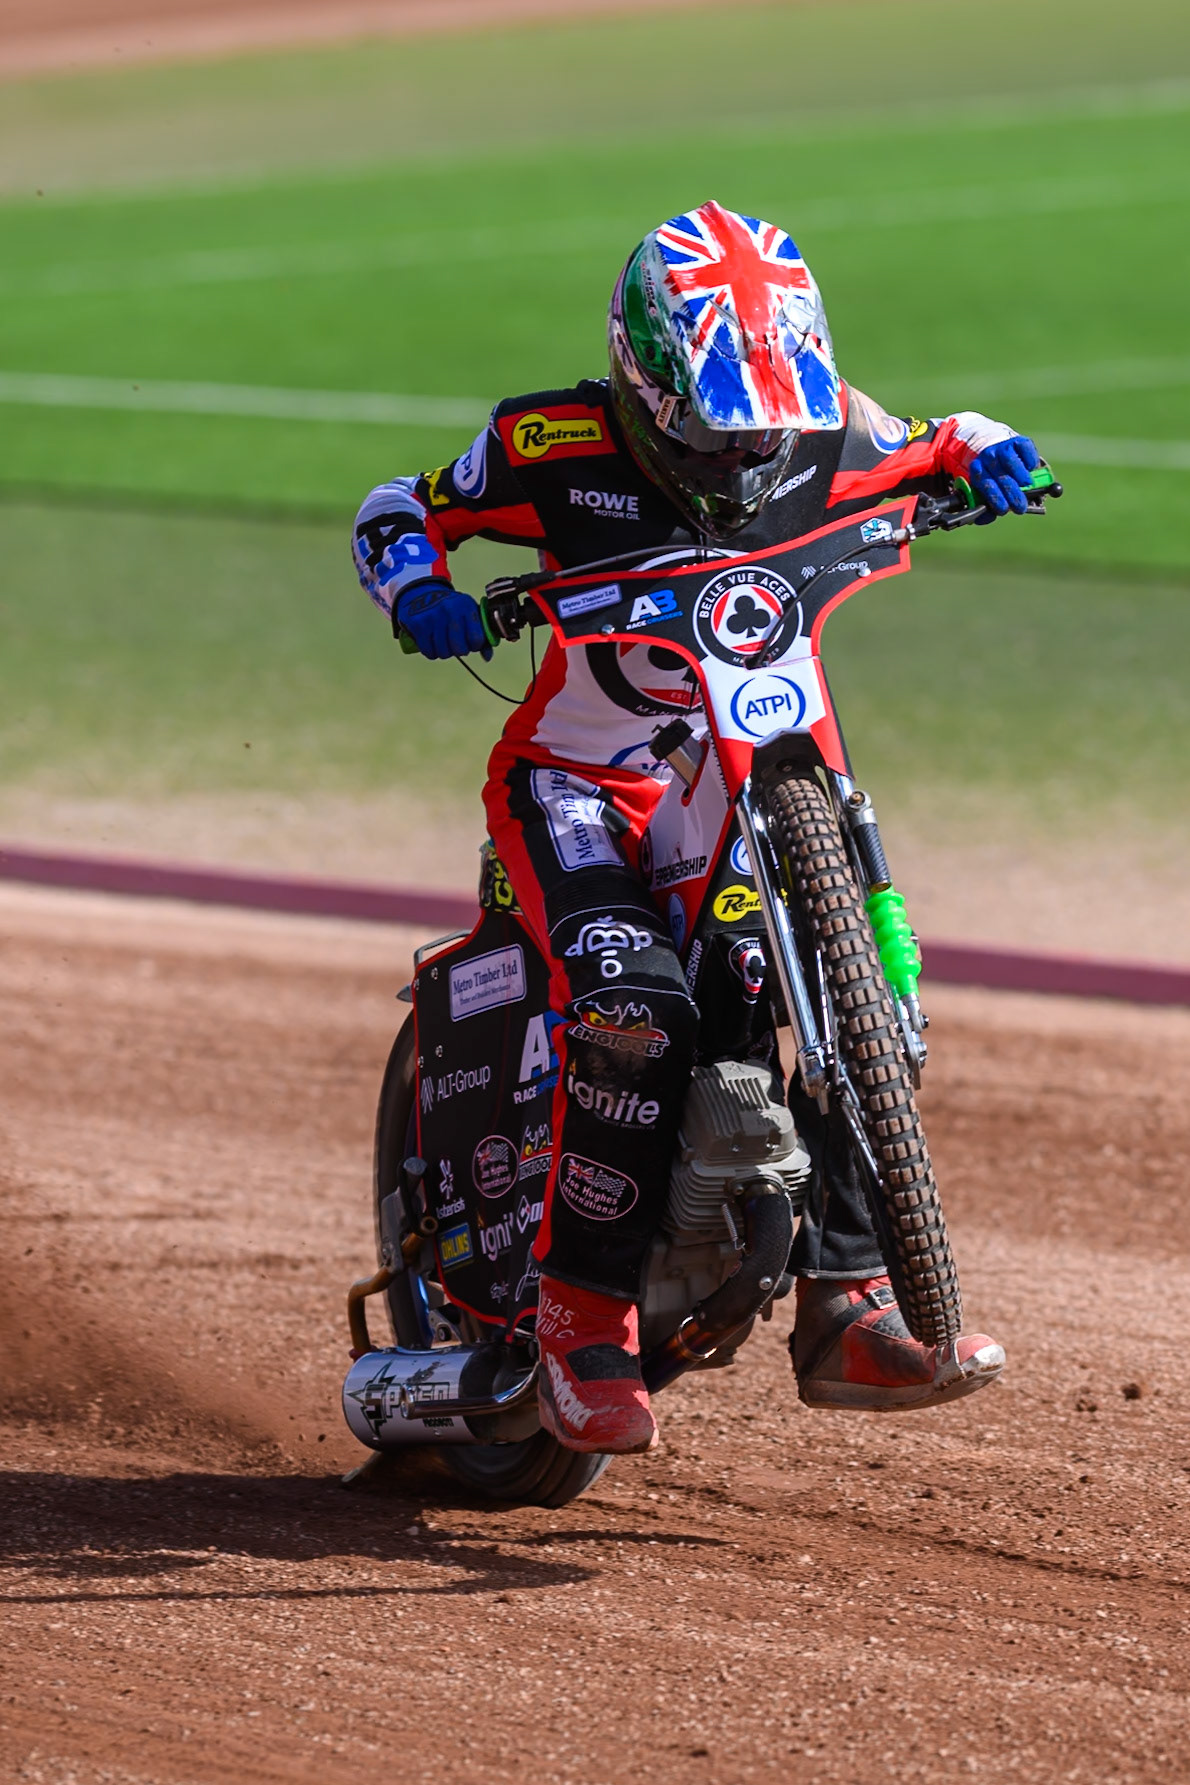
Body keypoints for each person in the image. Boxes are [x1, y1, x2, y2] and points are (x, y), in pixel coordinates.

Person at [353, 201, 1038, 1455]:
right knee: (636, 1012)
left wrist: (994, 456)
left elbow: (942, 439)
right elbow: (397, 508)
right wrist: (418, 590)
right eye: (712, 440)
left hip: (753, 776)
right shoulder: (544, 442)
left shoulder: (825, 421)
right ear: (642, 382)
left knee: (865, 993)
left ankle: (847, 1306)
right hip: (577, 785)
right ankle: (574, 1323)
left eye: (763, 436)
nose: (743, 465)